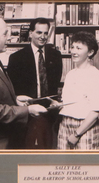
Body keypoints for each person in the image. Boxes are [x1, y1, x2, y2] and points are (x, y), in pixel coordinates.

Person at [0, 16, 47, 150]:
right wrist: (27, 110)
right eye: (5, 34)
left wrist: (15, 99)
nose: (9, 37)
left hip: (0, 138)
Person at [7, 17, 63, 149]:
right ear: (31, 33)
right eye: (39, 32)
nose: (43, 37)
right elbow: (12, 89)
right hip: (26, 115)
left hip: (49, 114)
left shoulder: (56, 56)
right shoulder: (16, 58)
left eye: (45, 33)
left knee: (47, 151)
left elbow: (54, 85)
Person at [56, 31, 99, 150]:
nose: (73, 51)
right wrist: (58, 105)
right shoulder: (70, 74)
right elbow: (69, 102)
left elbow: (96, 111)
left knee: (86, 164)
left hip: (86, 127)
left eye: (79, 48)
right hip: (65, 124)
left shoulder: (96, 75)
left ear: (90, 52)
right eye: (72, 47)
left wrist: (76, 134)